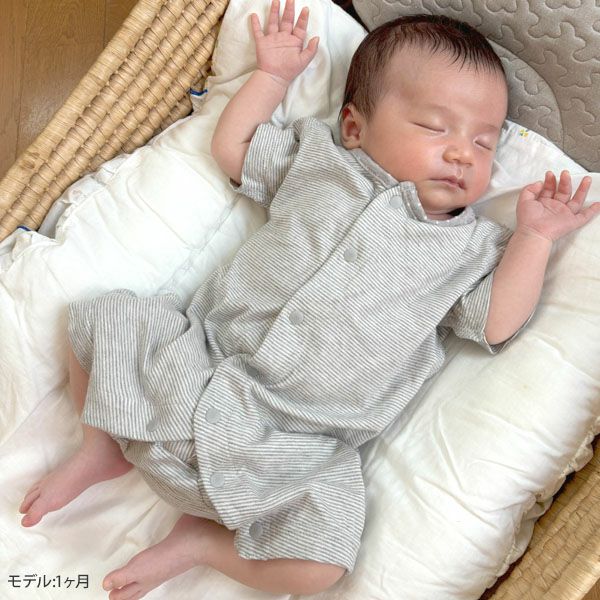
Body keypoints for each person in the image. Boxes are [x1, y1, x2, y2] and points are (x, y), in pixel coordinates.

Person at [19, 1, 600, 598]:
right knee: (103, 317)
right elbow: (235, 148)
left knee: (322, 564)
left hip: (293, 444)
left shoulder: (471, 249)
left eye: (484, 143)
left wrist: (534, 238)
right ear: (354, 128)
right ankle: (101, 445)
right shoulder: (320, 162)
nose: (462, 153)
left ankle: (201, 543)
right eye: (435, 127)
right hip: (198, 367)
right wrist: (271, 77)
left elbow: (497, 324)